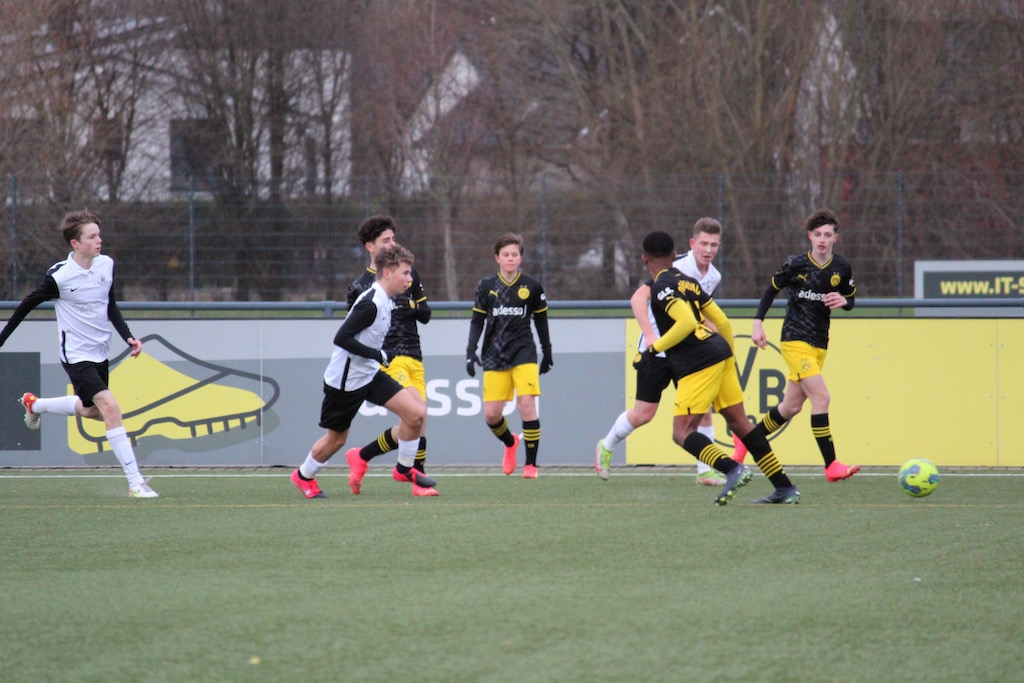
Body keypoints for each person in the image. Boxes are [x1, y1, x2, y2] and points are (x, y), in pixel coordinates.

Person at [615, 230, 800, 504]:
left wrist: (652, 349)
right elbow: (722, 322)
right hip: (720, 352)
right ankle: (784, 488)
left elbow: (687, 323)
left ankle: (733, 469)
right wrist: (729, 359)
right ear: (673, 255)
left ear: (644, 259)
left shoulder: (660, 287)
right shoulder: (688, 282)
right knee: (740, 423)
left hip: (698, 362)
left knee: (682, 433)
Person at [0, 209, 157, 498]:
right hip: (76, 356)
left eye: (99, 235)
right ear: (75, 243)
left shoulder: (106, 265)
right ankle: (136, 483)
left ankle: (35, 405)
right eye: (92, 237)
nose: (99, 241)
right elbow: (25, 306)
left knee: (92, 410)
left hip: (100, 353)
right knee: (110, 406)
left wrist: (128, 336)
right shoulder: (59, 277)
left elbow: (109, 304)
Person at [290, 244, 438, 498]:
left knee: (416, 414)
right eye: (405, 273)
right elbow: (342, 338)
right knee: (336, 440)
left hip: (369, 374)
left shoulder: (388, 300)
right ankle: (303, 475)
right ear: (388, 273)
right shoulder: (371, 304)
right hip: (345, 383)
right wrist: (377, 355)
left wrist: (377, 356)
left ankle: (403, 469)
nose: (410, 279)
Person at [597, 218, 732, 485]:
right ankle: (606, 445)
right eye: (704, 244)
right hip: (658, 351)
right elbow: (638, 298)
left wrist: (712, 330)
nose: (708, 250)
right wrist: (650, 336)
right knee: (644, 414)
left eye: (714, 245)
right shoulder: (674, 268)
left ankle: (705, 470)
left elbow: (698, 309)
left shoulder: (714, 276)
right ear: (692, 244)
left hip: (689, 351)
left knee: (702, 409)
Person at [739, 208, 859, 482]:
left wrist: (844, 301)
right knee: (822, 398)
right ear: (809, 236)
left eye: (827, 235)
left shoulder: (841, 267)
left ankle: (745, 440)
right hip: (794, 340)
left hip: (819, 344)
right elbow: (770, 290)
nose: (822, 240)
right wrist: (757, 323)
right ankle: (831, 465)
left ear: (835, 238)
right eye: (817, 234)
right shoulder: (795, 264)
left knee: (790, 406)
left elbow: (851, 298)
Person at [342, 215, 432, 477]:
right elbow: (353, 334)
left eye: (394, 238)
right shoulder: (360, 286)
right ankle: (416, 474)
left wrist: (411, 305)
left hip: (413, 355)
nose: (392, 244)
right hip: (388, 359)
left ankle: (363, 455)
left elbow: (425, 314)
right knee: (417, 413)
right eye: (386, 240)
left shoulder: (407, 273)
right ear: (370, 247)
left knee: (418, 419)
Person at [466, 233, 552, 478]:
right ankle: (510, 442)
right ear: (497, 258)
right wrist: (470, 351)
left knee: (526, 405)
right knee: (492, 415)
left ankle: (531, 465)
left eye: (515, 254)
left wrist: (547, 351)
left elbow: (541, 321)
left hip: (524, 352)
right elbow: (477, 320)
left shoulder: (532, 286)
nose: (510, 258)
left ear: (521, 258)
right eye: (506, 254)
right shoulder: (486, 286)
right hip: (494, 354)